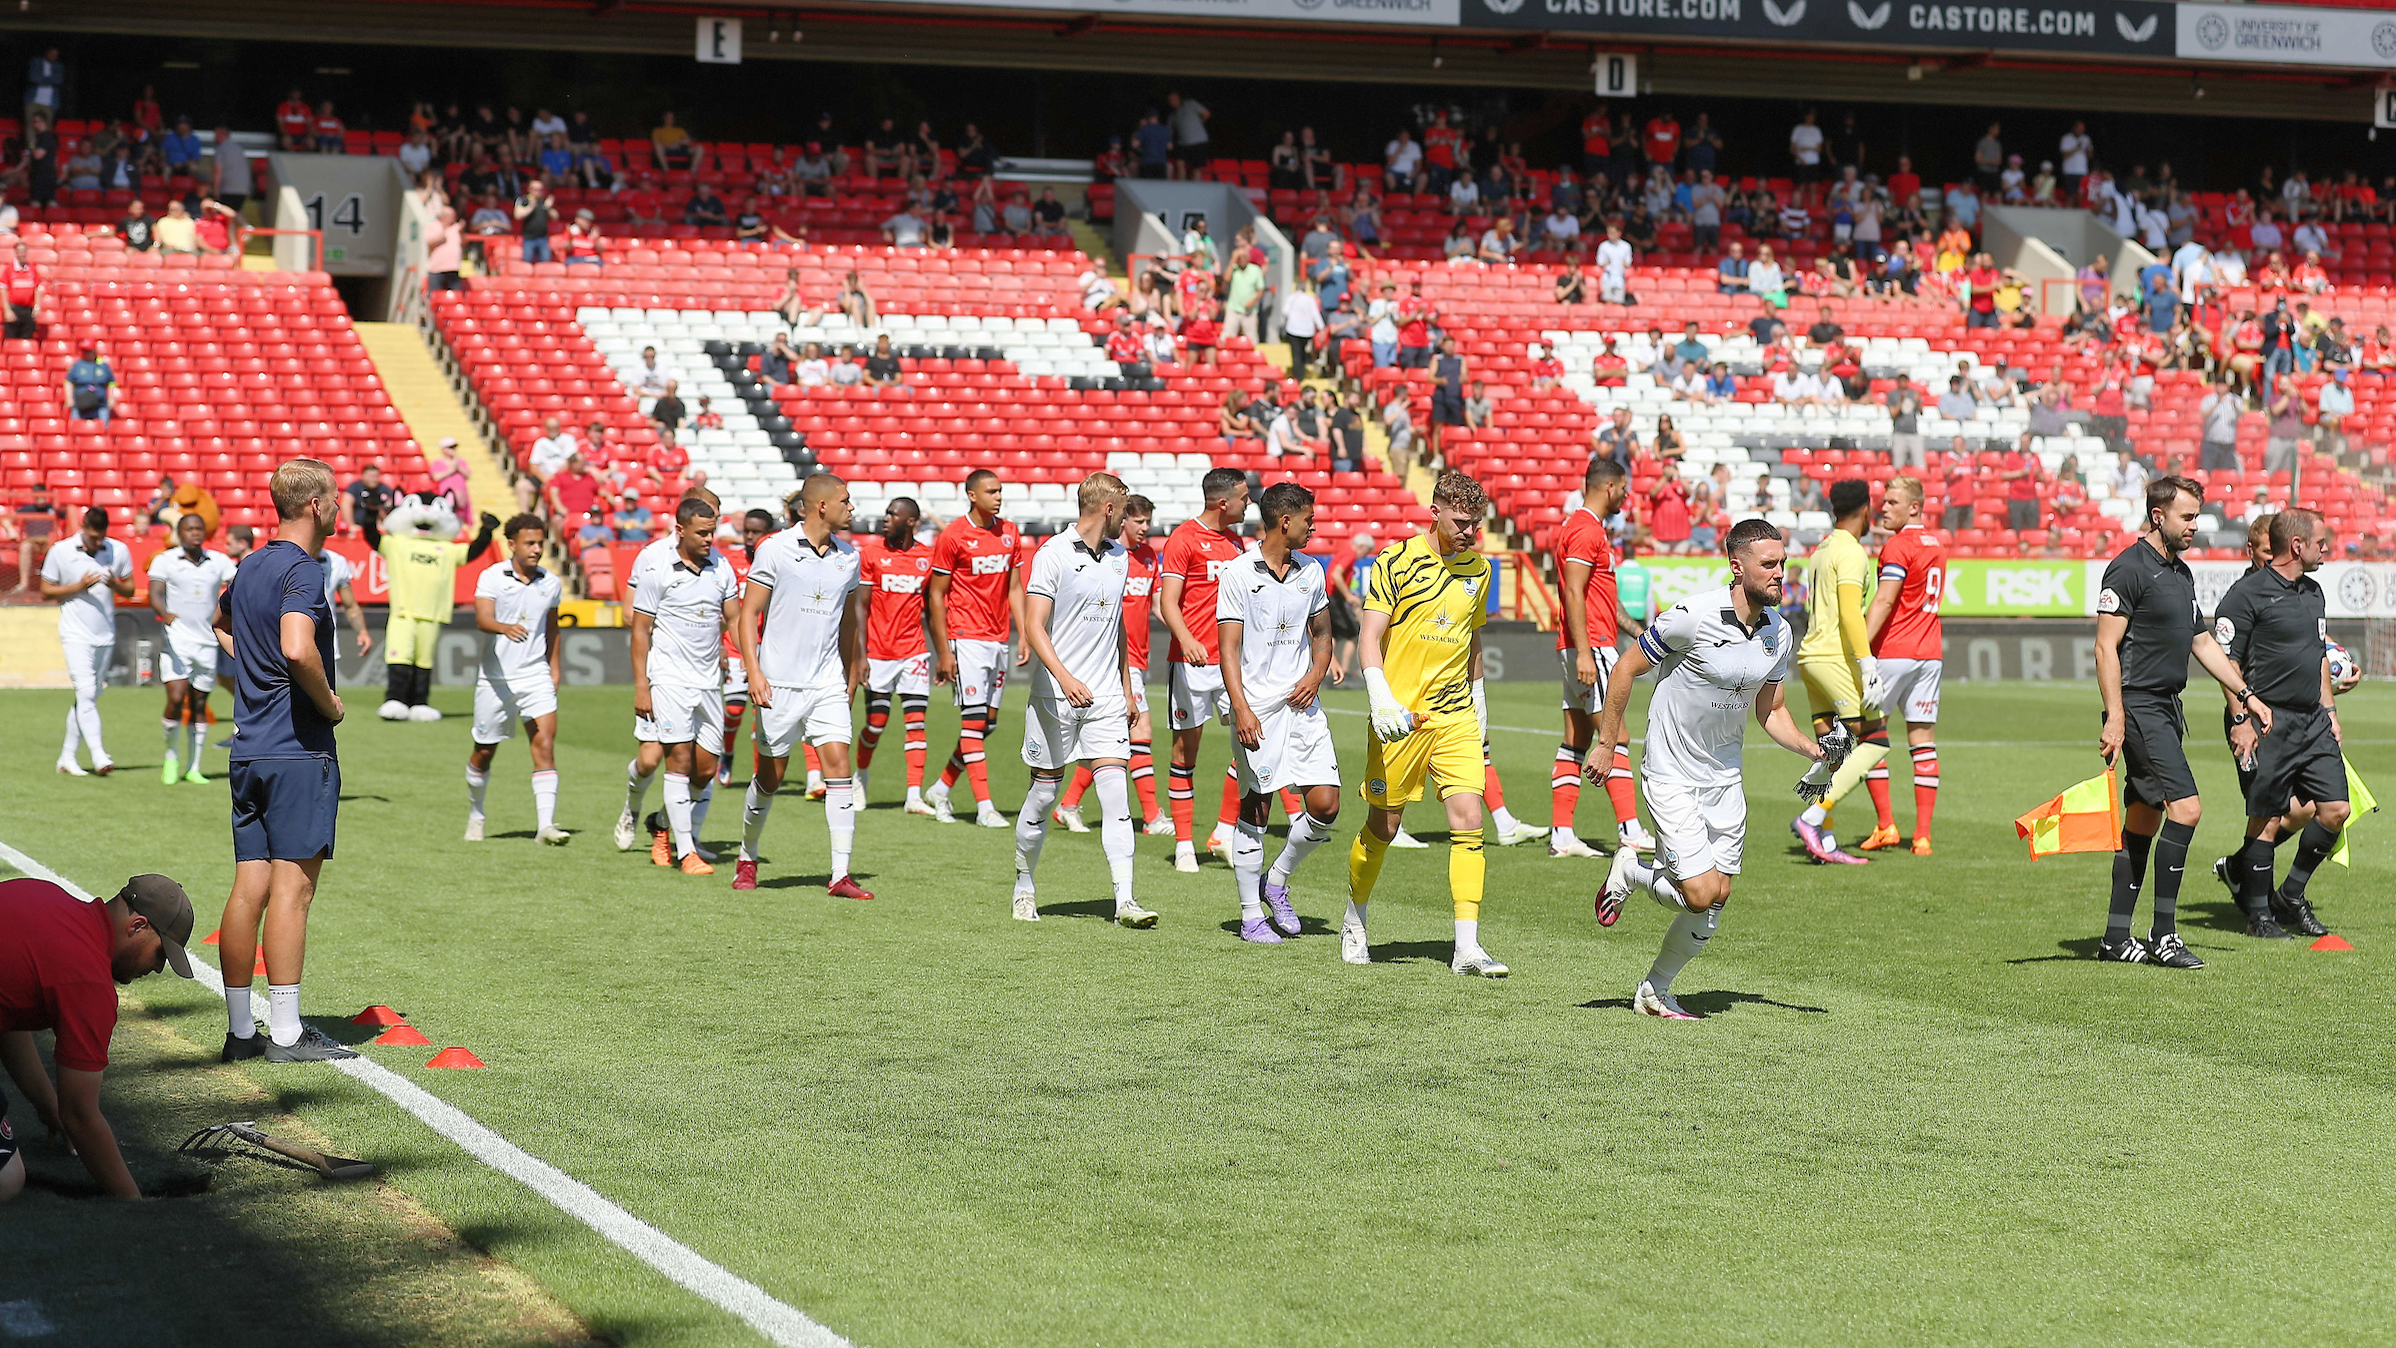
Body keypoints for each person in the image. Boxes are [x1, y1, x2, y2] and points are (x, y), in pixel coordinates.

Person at [1596, 520, 1829, 1019]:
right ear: (1736, 566)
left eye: (1783, 563)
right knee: (1699, 894)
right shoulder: (1693, 616)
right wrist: (1606, 743)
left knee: (1719, 894)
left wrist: (1812, 751)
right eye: (1769, 564)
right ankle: (1632, 870)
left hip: (1725, 778)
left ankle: (1655, 991)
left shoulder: (1778, 632)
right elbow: (1625, 668)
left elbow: (1771, 709)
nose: (1780, 573)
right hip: (1672, 771)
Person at [211, 460, 357, 1061]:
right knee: (293, 892)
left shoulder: (250, 564)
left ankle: (241, 1031)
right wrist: (329, 703)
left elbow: (219, 622)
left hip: (249, 750)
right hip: (297, 751)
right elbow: (298, 649)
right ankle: (289, 1033)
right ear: (316, 506)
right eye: (336, 498)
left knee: (250, 887)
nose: (341, 507)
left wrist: (253, 668)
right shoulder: (303, 569)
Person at [2093, 477, 2271, 968]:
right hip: (2140, 706)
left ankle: (2115, 938)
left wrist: (2246, 694)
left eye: (2196, 516)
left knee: (2144, 817)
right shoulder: (2128, 569)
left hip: (2167, 709)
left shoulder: (2181, 573)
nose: (2195, 525)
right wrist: (2115, 715)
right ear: (2158, 516)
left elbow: (2202, 642)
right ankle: (2164, 935)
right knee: (2187, 809)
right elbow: (2105, 647)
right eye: (2187, 516)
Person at [1346, 471, 1507, 976]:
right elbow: (1369, 637)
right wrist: (1381, 700)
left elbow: (1473, 640)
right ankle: (1355, 918)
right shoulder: (1394, 562)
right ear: (1434, 512)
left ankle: (1467, 949)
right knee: (1384, 825)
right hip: (1400, 718)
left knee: (1469, 820)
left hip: (1455, 714)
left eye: (1476, 524)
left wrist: (1480, 703)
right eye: (1460, 522)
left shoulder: (1479, 570)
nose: (1469, 533)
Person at [0, 872, 198, 1202]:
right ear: (137, 926)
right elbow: (80, 1115)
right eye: (160, 954)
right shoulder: (89, 981)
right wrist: (134, 1204)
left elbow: (8, 1018)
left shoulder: (49, 896)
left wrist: (48, 1107)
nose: (158, 968)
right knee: (7, 1178)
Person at [732, 476, 872, 898]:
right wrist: (754, 671)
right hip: (778, 684)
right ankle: (747, 856)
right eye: (845, 501)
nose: (852, 507)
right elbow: (748, 614)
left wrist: (850, 675)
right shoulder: (774, 549)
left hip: (826, 682)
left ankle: (840, 874)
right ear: (822, 506)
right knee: (771, 777)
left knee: (839, 766)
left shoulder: (850, 557)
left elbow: (849, 622)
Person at [2215, 509, 2350, 940]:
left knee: (2336, 809)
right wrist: (2241, 718)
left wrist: (2330, 712)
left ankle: (2290, 894)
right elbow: (2226, 664)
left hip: (2313, 720)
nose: (2325, 548)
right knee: (2266, 818)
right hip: (2265, 719)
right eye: (2320, 542)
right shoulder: (2245, 595)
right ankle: (2259, 916)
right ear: (2297, 545)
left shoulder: (2314, 592)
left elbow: (2317, 656)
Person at [1215, 481, 1340, 945]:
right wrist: (1242, 708)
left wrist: (1316, 674)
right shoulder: (1237, 573)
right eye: (1309, 519)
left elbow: (1322, 634)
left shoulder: (1312, 571)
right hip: (1257, 709)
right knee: (1257, 806)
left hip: (1303, 705)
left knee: (1326, 805)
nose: (1314, 526)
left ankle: (1277, 879)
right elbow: (1228, 649)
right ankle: (1251, 917)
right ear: (1285, 522)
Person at [1550, 459, 1655, 860]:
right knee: (1617, 736)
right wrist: (1584, 652)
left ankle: (1562, 835)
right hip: (1589, 645)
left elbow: (1602, 599)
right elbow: (1573, 592)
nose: (1627, 496)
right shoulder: (1585, 529)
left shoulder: (1587, 528)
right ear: (1609, 486)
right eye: (1624, 488)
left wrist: (1639, 632)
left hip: (1585, 642)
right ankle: (1630, 831)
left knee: (1577, 738)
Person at [631, 497, 741, 875]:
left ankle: (661, 823)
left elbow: (734, 619)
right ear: (680, 530)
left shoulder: (722, 567)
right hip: (669, 679)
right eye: (702, 533)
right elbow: (640, 631)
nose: (710, 539)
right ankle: (686, 853)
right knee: (678, 760)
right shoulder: (657, 570)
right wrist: (642, 686)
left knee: (705, 771)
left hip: (709, 682)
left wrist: (752, 660)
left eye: (713, 532)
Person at [1157, 468, 1256, 873]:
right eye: (1244, 497)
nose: (1249, 503)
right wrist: (1187, 639)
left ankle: (1223, 832)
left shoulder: (1236, 543)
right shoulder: (1183, 538)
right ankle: (1184, 845)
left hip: (1232, 663)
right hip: (1192, 663)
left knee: (1249, 745)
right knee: (1185, 752)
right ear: (1223, 502)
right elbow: (1168, 602)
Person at [1789, 480, 1889, 866]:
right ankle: (1812, 817)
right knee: (1875, 739)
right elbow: (1849, 612)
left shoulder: (1822, 549)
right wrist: (1867, 663)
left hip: (1809, 657)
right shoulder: (1851, 552)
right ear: (1866, 510)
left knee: (1833, 750)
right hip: (1834, 658)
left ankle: (1824, 840)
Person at [1056, 495, 1168, 837]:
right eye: (1139, 521)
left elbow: (1158, 606)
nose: (1145, 528)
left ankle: (1068, 804)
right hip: (1115, 658)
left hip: (1138, 657)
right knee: (1140, 732)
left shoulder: (1148, 557)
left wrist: (1185, 632)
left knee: (1110, 740)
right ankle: (1152, 817)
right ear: (1123, 520)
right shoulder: (1109, 556)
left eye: (1148, 521)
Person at [925, 470, 1026, 828]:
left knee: (988, 724)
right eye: (991, 491)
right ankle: (985, 808)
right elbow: (936, 595)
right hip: (965, 636)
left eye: (1000, 491)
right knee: (972, 723)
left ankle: (940, 788)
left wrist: (1023, 633)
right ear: (972, 495)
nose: (998, 497)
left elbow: (1015, 587)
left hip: (998, 638)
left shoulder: (1010, 532)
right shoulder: (953, 535)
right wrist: (944, 651)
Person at [466, 514, 569, 846]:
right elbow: (483, 619)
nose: (537, 549)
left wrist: (554, 669)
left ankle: (545, 827)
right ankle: (476, 815)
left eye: (540, 543)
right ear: (512, 544)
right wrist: (504, 627)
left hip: (535, 676)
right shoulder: (492, 576)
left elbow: (552, 628)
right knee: (484, 751)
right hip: (495, 680)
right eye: (530, 543)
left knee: (544, 745)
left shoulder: (551, 583)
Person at [1859, 476, 1946, 855]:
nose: (1884, 508)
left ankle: (1886, 826)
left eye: (1893, 502)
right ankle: (1922, 836)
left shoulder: (1897, 546)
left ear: (1914, 507)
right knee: (1923, 741)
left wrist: (1858, 645)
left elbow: (1884, 601)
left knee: (1870, 734)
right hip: (1929, 653)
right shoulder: (1937, 545)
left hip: (1893, 651)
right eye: (1884, 502)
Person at [855, 497, 938, 817]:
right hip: (878, 653)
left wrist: (943, 653)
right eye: (886, 513)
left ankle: (913, 796)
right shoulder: (871, 554)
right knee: (875, 724)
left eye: (893, 514)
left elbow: (933, 610)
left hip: (914, 652)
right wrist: (861, 655)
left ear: (911, 522)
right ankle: (860, 777)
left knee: (916, 724)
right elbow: (860, 606)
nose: (886, 518)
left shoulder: (927, 557)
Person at [41, 507, 132, 776]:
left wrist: (115, 584)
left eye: (101, 537)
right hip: (75, 634)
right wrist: (78, 587)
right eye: (92, 537)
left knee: (88, 697)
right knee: (87, 692)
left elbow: (129, 588)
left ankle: (67, 757)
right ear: (83, 528)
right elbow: (46, 591)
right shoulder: (61, 551)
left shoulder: (118, 550)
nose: (97, 542)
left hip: (105, 634)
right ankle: (99, 755)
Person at [147, 512, 236, 786]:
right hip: (177, 640)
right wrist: (165, 613)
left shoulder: (218, 561)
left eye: (199, 528)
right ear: (179, 533)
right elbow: (154, 592)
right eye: (189, 529)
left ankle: (194, 767)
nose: (195, 533)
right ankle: (171, 758)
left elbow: (238, 586)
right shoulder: (165, 560)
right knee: (176, 697)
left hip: (207, 642)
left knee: (200, 703)